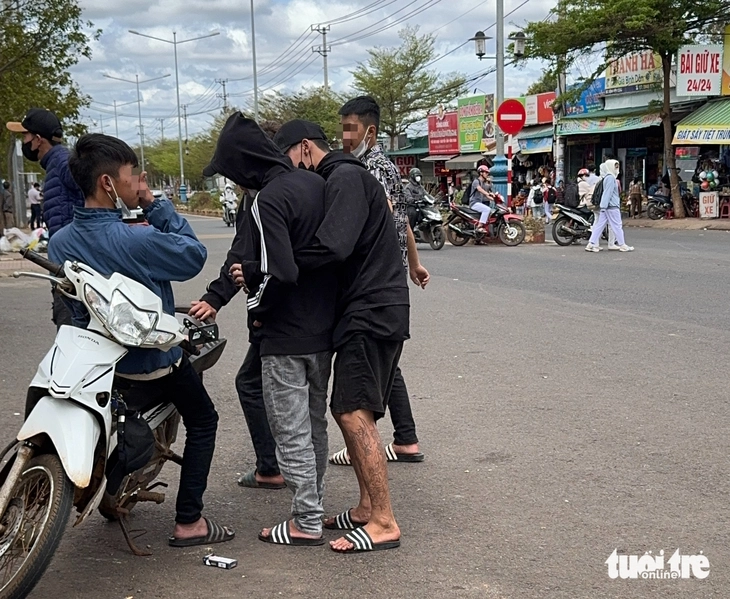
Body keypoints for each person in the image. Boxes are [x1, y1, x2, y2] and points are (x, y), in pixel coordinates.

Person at [47, 133, 233, 548]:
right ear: (108, 184)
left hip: (96, 368)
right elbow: (192, 256)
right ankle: (190, 522)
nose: (139, 182)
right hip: (149, 364)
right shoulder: (137, 238)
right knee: (204, 420)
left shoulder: (60, 243)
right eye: (134, 176)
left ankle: (111, 491)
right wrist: (154, 202)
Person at [270, 118, 409, 553]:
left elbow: (334, 246)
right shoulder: (350, 177)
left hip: (370, 309)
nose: (292, 175)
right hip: (371, 307)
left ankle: (384, 521)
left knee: (352, 412)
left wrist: (280, 266)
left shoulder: (346, 175)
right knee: (349, 406)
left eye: (291, 161)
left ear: (306, 148)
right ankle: (368, 508)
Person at [205, 115, 337, 547]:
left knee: (291, 430)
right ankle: (313, 507)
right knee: (314, 425)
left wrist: (258, 308)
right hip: (323, 329)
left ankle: (305, 521)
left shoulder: (267, 200)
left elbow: (281, 271)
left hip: (284, 334)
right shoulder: (317, 186)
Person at [330, 96, 426, 468]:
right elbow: (401, 220)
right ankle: (404, 439)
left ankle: (368, 444)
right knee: (386, 360)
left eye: (350, 129)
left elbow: (382, 215)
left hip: (376, 278)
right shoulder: (369, 165)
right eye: (342, 129)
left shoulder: (373, 168)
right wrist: (415, 264)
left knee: (370, 363)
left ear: (370, 131)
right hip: (389, 276)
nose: (344, 137)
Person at [6, 108, 83, 328]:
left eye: (25, 135)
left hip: (73, 271)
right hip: (68, 267)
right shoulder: (58, 164)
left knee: (72, 337)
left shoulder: (65, 164)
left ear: (38, 139)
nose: (24, 140)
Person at [585, 159, 634, 253]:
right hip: (611, 206)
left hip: (606, 207)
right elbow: (608, 193)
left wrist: (603, 207)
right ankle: (622, 244)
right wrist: (604, 206)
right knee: (617, 225)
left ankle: (591, 244)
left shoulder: (607, 178)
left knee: (599, 225)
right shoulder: (611, 178)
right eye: (615, 166)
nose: (617, 169)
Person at [470, 165, 495, 232]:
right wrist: (488, 193)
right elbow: (480, 189)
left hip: (479, 203)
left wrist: (494, 199)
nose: (487, 174)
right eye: (486, 172)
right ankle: (479, 227)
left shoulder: (483, 183)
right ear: (481, 173)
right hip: (474, 203)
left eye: (488, 173)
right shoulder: (476, 181)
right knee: (487, 209)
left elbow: (486, 194)